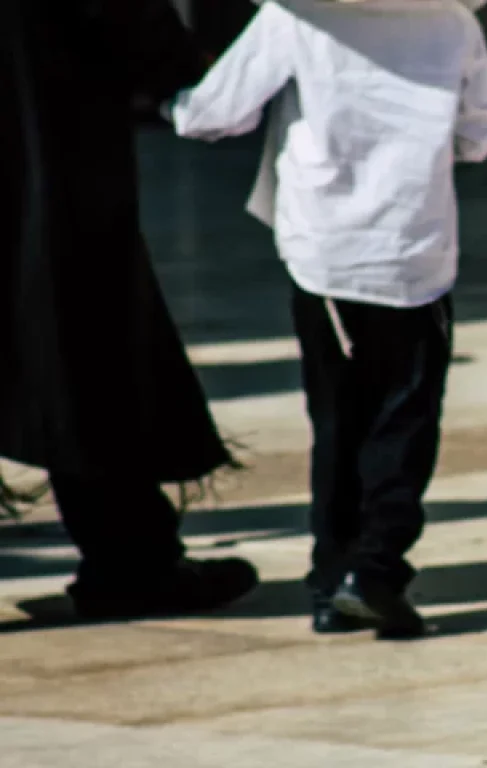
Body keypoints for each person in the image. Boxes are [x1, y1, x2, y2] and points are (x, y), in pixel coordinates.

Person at [164, 0, 487, 636]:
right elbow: (481, 132)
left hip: (324, 255)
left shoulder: (294, 19)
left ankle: (331, 581)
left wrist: (169, 104)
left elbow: (214, 113)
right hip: (414, 254)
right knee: (402, 424)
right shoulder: (453, 24)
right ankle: (374, 569)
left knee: (336, 422)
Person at [0, 0, 259, 619]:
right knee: (77, 337)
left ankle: (133, 561)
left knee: (70, 331)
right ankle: (132, 564)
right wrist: (188, 69)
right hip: (41, 135)